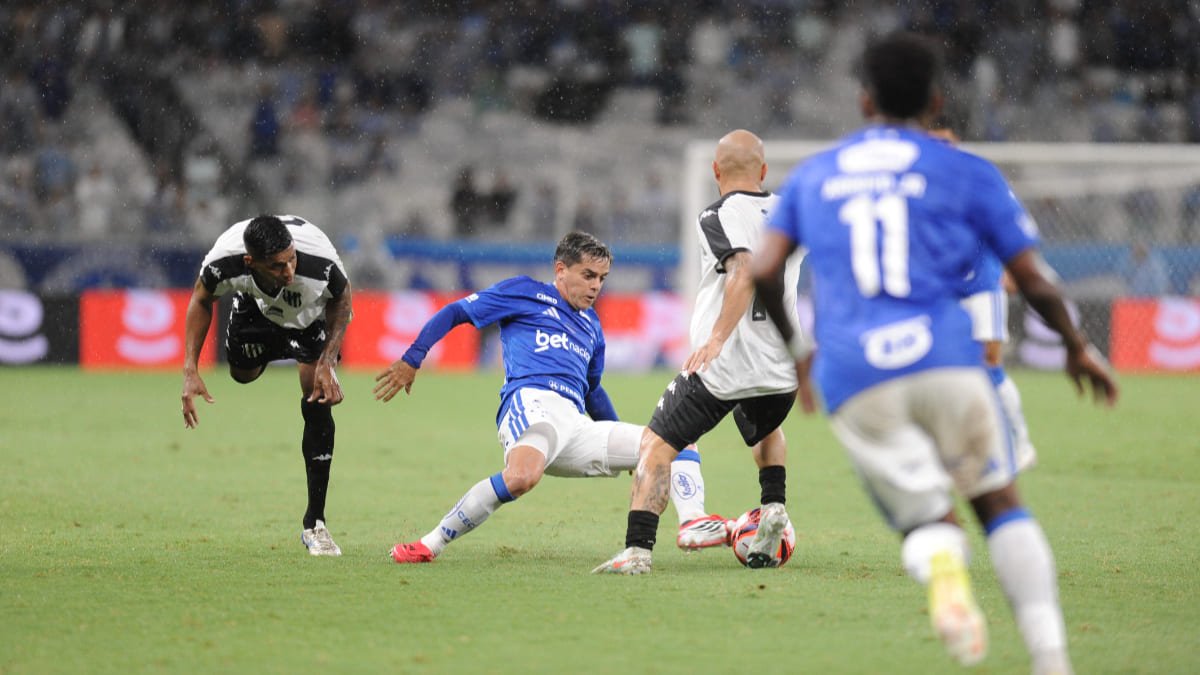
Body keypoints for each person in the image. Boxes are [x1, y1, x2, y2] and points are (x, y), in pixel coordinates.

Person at [750, 32, 1118, 675]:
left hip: (854, 370)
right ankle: (1052, 660)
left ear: (864, 101)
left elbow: (763, 271)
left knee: (926, 521)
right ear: (938, 99)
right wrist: (1077, 347)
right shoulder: (967, 171)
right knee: (1000, 504)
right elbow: (1034, 278)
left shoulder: (816, 175)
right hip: (947, 357)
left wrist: (801, 354)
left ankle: (942, 565)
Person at [375, 231, 716, 563]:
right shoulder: (525, 292)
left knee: (676, 442)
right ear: (561, 270)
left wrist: (632, 448)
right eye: (588, 275)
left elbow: (592, 390)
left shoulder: (592, 326)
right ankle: (429, 543)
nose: (596, 285)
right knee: (522, 477)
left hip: (576, 424)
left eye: (602, 277)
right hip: (531, 403)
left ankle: (693, 522)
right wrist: (412, 358)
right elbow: (456, 312)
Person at [593, 129, 804, 575]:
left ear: (715, 171)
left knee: (655, 446)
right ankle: (773, 508)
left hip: (725, 365)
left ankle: (637, 551)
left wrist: (717, 338)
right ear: (764, 170)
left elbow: (743, 272)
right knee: (766, 430)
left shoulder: (716, 215)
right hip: (781, 366)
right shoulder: (791, 212)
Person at [181, 214, 353, 556]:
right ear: (250, 262)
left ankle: (315, 524)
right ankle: (271, 343)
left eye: (292, 259)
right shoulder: (225, 261)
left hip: (309, 319)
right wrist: (190, 368)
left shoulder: (319, 265)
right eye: (277, 266)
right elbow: (201, 299)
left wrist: (327, 360)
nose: (289, 271)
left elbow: (343, 300)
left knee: (318, 399)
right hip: (256, 312)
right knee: (242, 375)